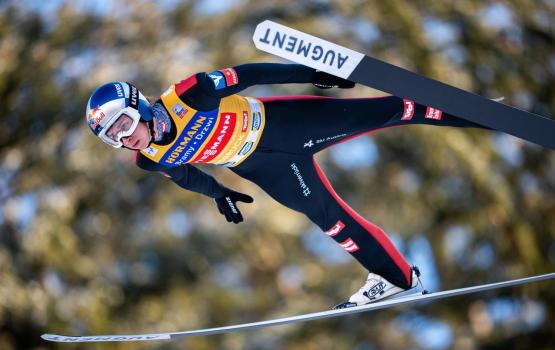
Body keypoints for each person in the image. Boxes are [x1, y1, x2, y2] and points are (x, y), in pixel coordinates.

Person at [86, 63, 483, 309]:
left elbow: (253, 74)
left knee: (391, 110)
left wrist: (312, 73)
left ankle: (481, 114)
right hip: (265, 168)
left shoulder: (189, 95)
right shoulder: (149, 158)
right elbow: (185, 174)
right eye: (111, 138)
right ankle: (399, 280)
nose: (123, 139)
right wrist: (217, 193)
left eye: (121, 125)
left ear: (135, 105)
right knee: (331, 221)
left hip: (284, 125)